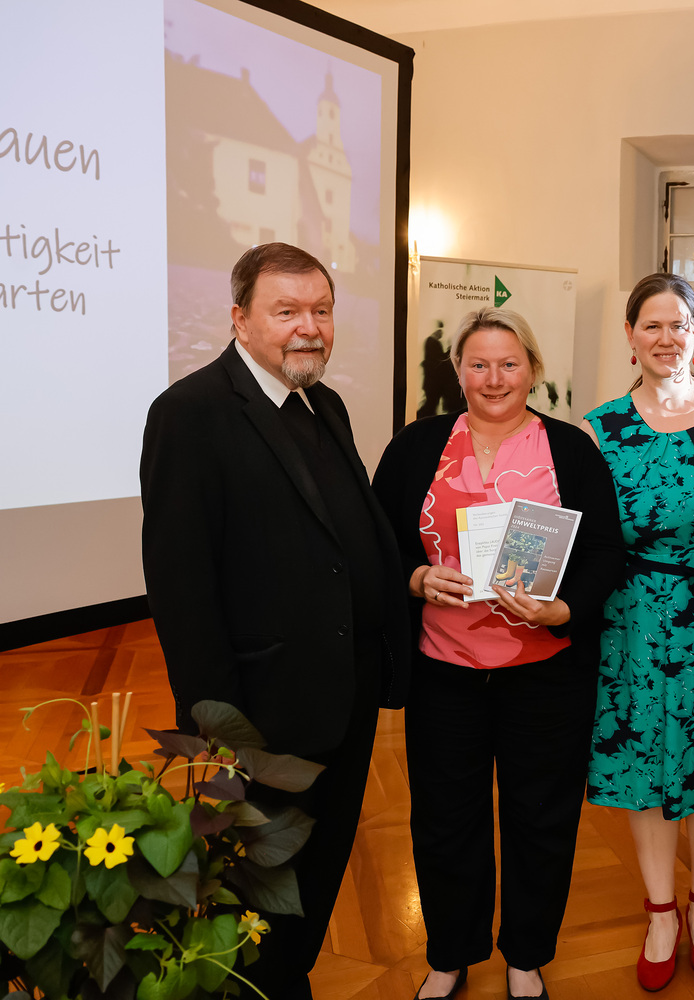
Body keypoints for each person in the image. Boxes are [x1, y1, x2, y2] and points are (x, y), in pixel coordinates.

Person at [140, 242, 411, 1000]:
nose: (309, 328)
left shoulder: (326, 404)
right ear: (240, 319)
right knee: (255, 893)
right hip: (262, 716)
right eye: (286, 311)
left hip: (344, 698)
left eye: (321, 310)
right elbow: (181, 587)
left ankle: (293, 982)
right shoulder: (189, 414)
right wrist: (218, 730)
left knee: (315, 880)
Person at [371, 307, 624, 1000]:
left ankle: (526, 957)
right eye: (478, 364)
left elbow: (606, 552)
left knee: (541, 817)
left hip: (544, 674)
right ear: (457, 371)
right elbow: (374, 545)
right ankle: (450, 955)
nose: (493, 378)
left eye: (509, 364)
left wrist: (563, 608)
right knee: (445, 818)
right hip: (443, 671)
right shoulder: (416, 446)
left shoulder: (570, 450)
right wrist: (416, 579)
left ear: (533, 370)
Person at [582, 274, 694, 991]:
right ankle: (661, 912)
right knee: (645, 763)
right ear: (630, 336)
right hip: (633, 618)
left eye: (678, 323)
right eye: (650, 325)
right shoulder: (600, 428)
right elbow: (590, 534)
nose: (665, 337)